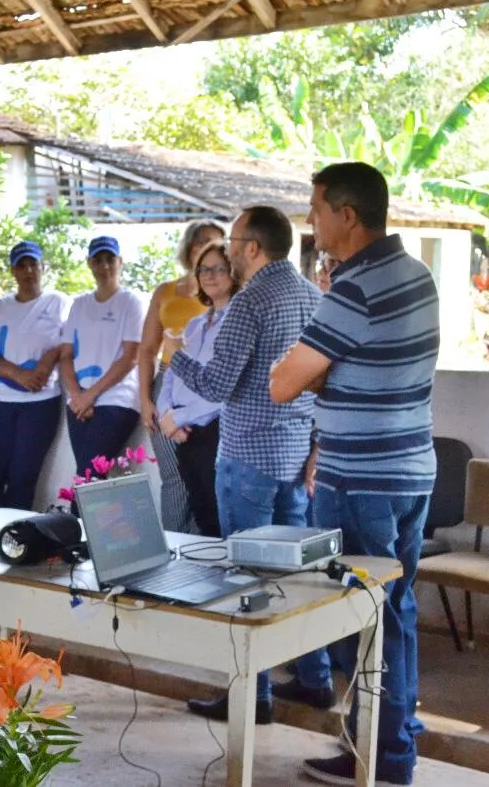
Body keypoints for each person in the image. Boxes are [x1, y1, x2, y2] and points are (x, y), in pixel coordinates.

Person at [271, 163, 437, 787]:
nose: (310, 219)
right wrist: (328, 368)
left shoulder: (354, 288)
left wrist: (319, 370)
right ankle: (391, 745)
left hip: (360, 480)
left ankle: (381, 755)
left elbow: (283, 383)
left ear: (347, 214)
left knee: (359, 622)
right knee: (395, 613)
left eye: (316, 207)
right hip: (411, 474)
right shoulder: (417, 274)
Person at [172, 206, 321, 725]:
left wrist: (176, 356)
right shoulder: (312, 295)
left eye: (235, 240)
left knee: (244, 580)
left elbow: (215, 385)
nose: (228, 249)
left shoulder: (249, 303)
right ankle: (315, 677)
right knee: (299, 576)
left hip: (247, 456)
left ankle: (251, 695)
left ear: (253, 248)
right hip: (293, 451)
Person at [137, 219, 224, 532]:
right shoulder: (166, 291)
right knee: (173, 476)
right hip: (167, 383)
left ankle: (201, 549)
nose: (207, 249)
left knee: (202, 474)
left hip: (205, 390)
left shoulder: (223, 293)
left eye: (216, 243)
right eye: (201, 242)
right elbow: (147, 350)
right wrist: (146, 400)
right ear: (189, 247)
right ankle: (173, 547)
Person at [155, 241, 240, 538]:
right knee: (201, 515)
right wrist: (167, 415)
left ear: (234, 273)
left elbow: (226, 389)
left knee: (219, 520)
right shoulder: (193, 325)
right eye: (204, 269)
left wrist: (179, 419)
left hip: (214, 431)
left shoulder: (238, 322)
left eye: (219, 268)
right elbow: (170, 374)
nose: (210, 275)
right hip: (184, 433)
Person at [0, 241, 67, 511]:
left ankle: (17, 542)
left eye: (33, 264)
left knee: (24, 478)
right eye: (21, 265)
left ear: (42, 267)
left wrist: (46, 362)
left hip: (40, 404)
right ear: (13, 271)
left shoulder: (59, 302)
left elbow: (69, 343)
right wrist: (20, 375)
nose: (28, 270)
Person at [59, 236, 145, 475]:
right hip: (78, 402)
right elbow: (66, 355)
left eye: (110, 260)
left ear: (120, 262)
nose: (105, 266)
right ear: (90, 264)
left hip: (116, 400)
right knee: (88, 477)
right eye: (98, 260)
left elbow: (131, 357)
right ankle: (84, 515)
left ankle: (74, 515)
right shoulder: (79, 304)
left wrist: (90, 396)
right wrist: (77, 395)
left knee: (88, 475)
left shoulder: (131, 302)